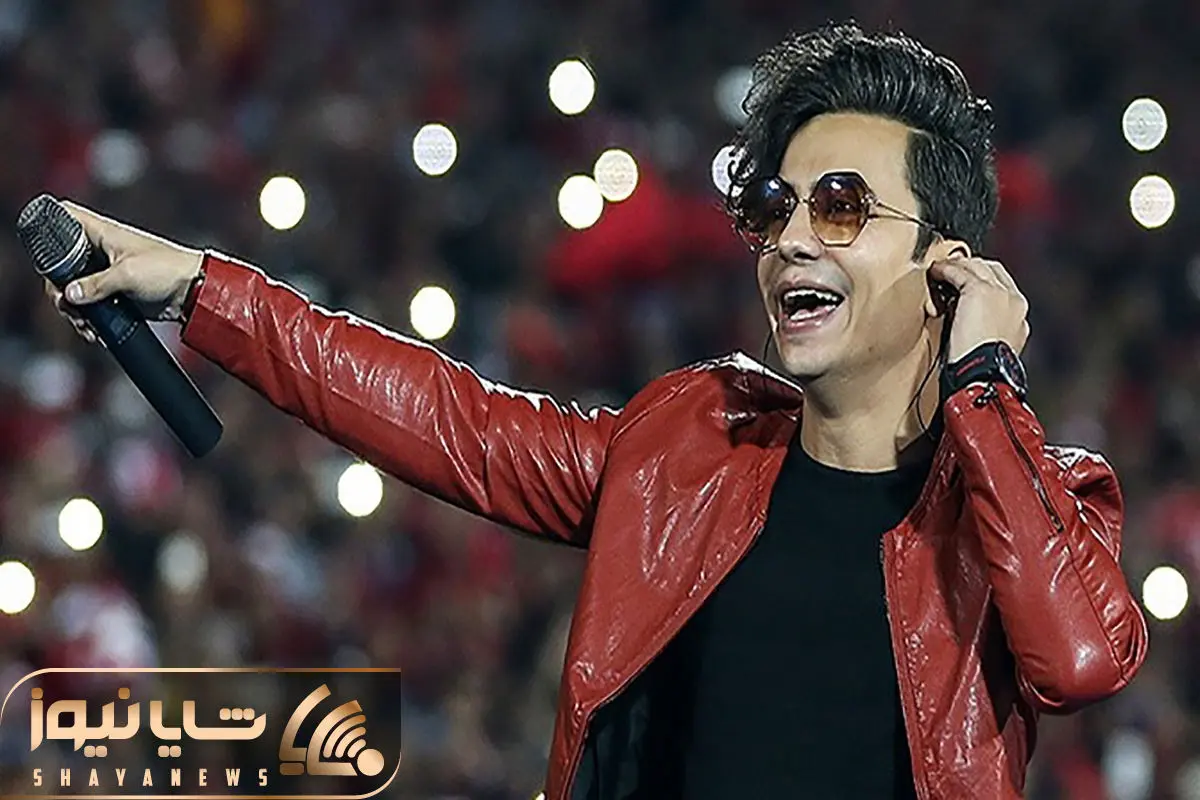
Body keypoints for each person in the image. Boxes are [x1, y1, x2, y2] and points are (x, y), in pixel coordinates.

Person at [46, 21, 1147, 800]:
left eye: (844, 207)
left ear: (947, 265)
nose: (793, 240)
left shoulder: (1035, 499)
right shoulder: (691, 444)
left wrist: (982, 381)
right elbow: (454, 422)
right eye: (776, 208)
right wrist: (204, 289)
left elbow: (1084, 660)